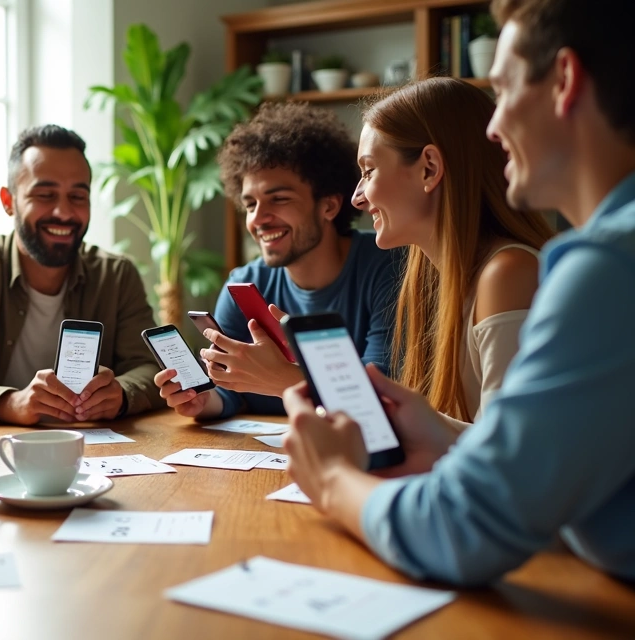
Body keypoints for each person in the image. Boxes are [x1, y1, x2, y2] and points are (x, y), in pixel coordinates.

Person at [281, 0, 635, 585]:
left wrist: (332, 480)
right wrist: (442, 431)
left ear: (565, 82)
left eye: (504, 89)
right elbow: (546, 470)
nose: (494, 129)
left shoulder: (604, 268)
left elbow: (466, 526)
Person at [156, 103, 403, 421]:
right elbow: (228, 391)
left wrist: (285, 380)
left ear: (328, 206)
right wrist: (202, 401)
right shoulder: (243, 285)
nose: (258, 219)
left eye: (279, 199)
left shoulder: (388, 267)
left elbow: (380, 399)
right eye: (250, 204)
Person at [0, 125, 165, 424]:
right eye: (45, 194)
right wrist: (9, 403)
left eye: (77, 196)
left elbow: (151, 367)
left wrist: (121, 395)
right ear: (9, 202)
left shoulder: (117, 276)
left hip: (95, 452)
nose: (63, 212)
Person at [354, 77, 555, 427]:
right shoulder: (433, 278)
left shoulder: (508, 273)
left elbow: (505, 457)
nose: (358, 196)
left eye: (369, 171)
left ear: (429, 169)